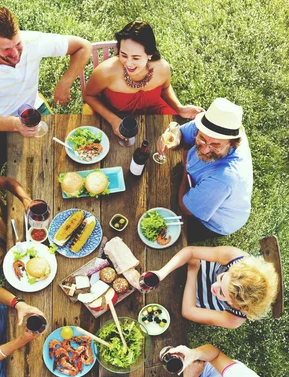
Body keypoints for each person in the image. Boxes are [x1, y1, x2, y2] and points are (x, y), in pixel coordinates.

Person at [0, 6, 91, 174]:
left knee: (59, 159)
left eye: (17, 44)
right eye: (6, 49)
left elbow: (83, 46)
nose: (15, 54)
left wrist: (65, 82)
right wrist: (15, 124)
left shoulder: (33, 41)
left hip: (32, 108)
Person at [83, 20, 203, 140]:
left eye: (136, 57)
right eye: (123, 55)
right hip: (115, 115)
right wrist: (113, 119)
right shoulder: (106, 71)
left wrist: (179, 107)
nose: (128, 63)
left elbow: (165, 88)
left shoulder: (162, 68)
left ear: (149, 54)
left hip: (153, 111)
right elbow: (89, 95)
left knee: (177, 136)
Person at [156, 97, 253, 242]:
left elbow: (185, 207)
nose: (206, 149)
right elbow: (181, 133)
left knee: (166, 231)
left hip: (216, 221)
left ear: (232, 143)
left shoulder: (225, 177)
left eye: (215, 145)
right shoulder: (213, 127)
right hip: (203, 186)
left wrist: (186, 170)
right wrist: (175, 139)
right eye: (201, 139)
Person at [153, 245, 279, 328]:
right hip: (183, 266)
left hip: (185, 297)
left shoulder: (234, 319)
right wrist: (161, 273)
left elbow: (188, 311)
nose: (214, 286)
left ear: (238, 306)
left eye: (221, 294)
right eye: (221, 277)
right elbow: (190, 251)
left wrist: (193, 271)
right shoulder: (235, 257)